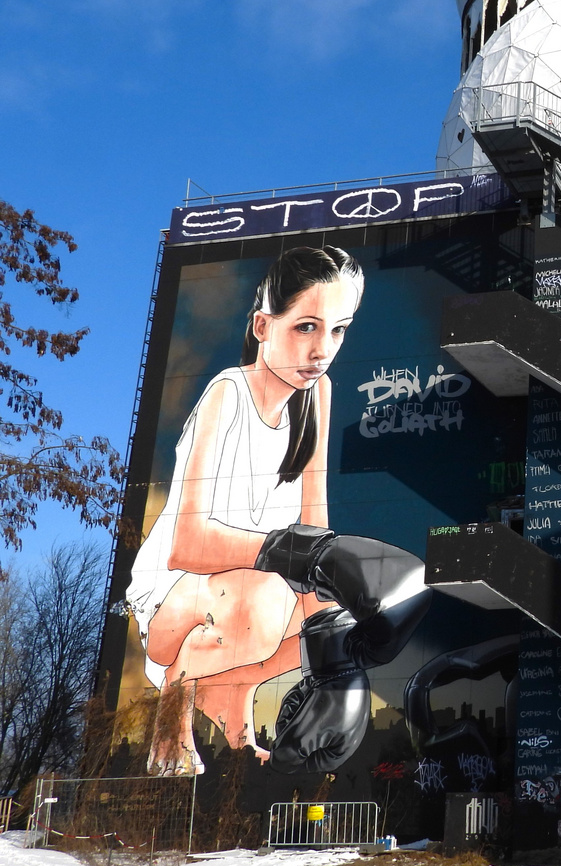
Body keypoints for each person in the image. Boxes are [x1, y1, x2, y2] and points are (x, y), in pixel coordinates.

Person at [126, 245, 424, 775]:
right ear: (264, 326)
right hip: (174, 596)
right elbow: (188, 543)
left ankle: (236, 712)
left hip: (246, 595)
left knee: (338, 624)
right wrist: (306, 555)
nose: (322, 349)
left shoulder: (318, 394)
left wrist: (338, 669)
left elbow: (315, 522)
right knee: (268, 594)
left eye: (338, 330)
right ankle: (178, 700)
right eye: (306, 327)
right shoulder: (227, 392)